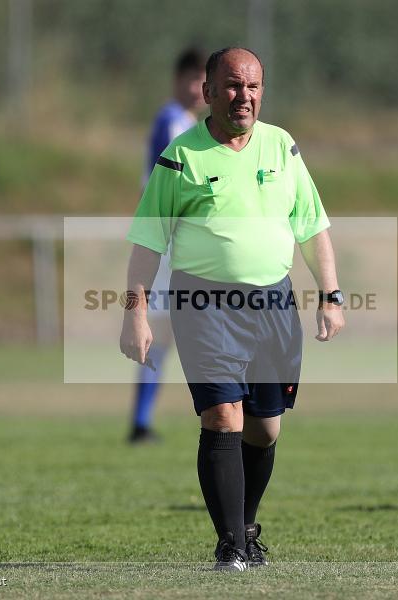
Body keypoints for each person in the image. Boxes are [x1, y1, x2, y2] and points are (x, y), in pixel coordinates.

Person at [120, 47, 344, 571]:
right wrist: (134, 312)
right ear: (208, 91)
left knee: (264, 429)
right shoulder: (181, 156)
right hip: (204, 304)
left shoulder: (282, 146)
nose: (244, 96)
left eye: (253, 87)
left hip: (273, 304)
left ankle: (246, 523)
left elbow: (311, 225)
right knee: (222, 415)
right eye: (232, 86)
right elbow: (146, 244)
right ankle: (231, 546)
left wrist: (331, 295)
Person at [128, 48, 206, 444]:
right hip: (171, 245)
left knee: (171, 333)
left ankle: (142, 422)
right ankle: (143, 422)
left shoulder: (181, 122)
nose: (198, 89)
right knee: (180, 329)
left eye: (203, 81)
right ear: (177, 81)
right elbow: (172, 190)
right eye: (192, 80)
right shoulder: (174, 124)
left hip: (173, 244)